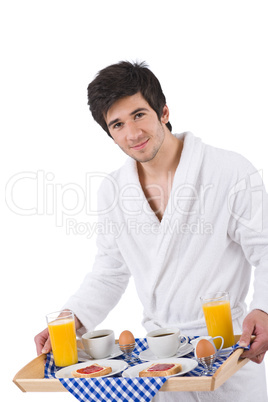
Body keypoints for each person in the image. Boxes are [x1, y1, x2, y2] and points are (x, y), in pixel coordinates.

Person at [35, 61, 268, 401]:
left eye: (139, 115)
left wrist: (262, 309)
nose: (132, 133)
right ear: (109, 133)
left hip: (229, 352)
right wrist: (74, 320)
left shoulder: (229, 171)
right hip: (160, 362)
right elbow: (110, 270)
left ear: (163, 111)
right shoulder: (113, 191)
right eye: (117, 124)